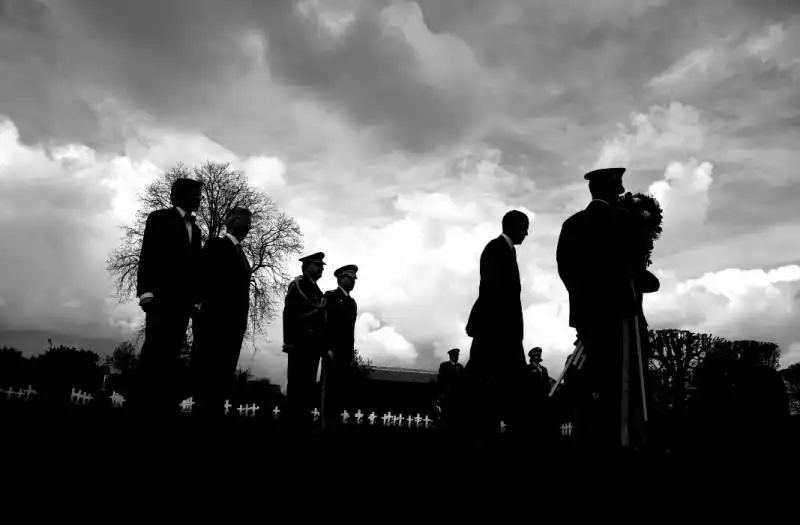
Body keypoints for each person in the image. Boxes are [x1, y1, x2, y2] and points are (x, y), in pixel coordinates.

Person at [556, 167, 648, 453]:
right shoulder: (623, 220)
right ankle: (624, 440)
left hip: (587, 316)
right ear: (611, 189)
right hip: (620, 315)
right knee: (623, 380)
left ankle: (587, 436)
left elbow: (565, 269)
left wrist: (585, 300)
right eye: (618, 186)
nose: (621, 190)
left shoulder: (572, 224)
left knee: (589, 378)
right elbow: (635, 264)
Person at [133, 177, 203, 419]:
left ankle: (162, 407)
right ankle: (141, 405)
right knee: (154, 350)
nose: (200, 198)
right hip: (161, 298)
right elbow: (148, 254)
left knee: (173, 352)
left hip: (183, 304)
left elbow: (195, 269)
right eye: (196, 194)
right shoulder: (159, 218)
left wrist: (195, 300)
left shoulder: (197, 230)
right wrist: (145, 291)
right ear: (183, 195)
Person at [464, 210, 530, 442]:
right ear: (513, 226)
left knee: (489, 380)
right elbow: (491, 292)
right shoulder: (496, 250)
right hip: (498, 330)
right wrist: (495, 328)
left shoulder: (505, 250)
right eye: (525, 226)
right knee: (496, 382)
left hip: (501, 329)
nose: (527, 232)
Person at [190, 206, 253, 419]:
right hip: (214, 325)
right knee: (208, 377)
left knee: (223, 380)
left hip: (234, 329)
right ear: (232, 220)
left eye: (250, 223)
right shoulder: (216, 245)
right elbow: (203, 278)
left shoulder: (243, 256)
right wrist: (200, 311)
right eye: (246, 221)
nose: (248, 226)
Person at [283, 252, 327, 432]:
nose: (321, 268)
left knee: (308, 385)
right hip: (299, 343)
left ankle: (302, 420)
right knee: (296, 385)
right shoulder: (298, 286)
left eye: (321, 265)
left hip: (313, 346)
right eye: (317, 265)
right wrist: (289, 341)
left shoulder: (317, 290)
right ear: (307, 265)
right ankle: (291, 422)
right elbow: (289, 314)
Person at [321, 264, 359, 431]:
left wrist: (350, 353)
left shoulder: (352, 303)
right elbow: (325, 323)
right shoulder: (330, 297)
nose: (352, 282)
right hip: (332, 351)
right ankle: (325, 426)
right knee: (329, 391)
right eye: (349, 278)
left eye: (353, 279)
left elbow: (350, 330)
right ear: (341, 278)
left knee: (340, 392)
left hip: (345, 353)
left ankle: (334, 426)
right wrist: (327, 347)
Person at [437, 348, 466, 434]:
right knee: (446, 414)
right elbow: (441, 380)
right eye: (454, 355)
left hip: (457, 396)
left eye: (457, 356)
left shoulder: (460, 367)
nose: (456, 357)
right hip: (448, 394)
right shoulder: (444, 365)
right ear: (450, 356)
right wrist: (441, 393)